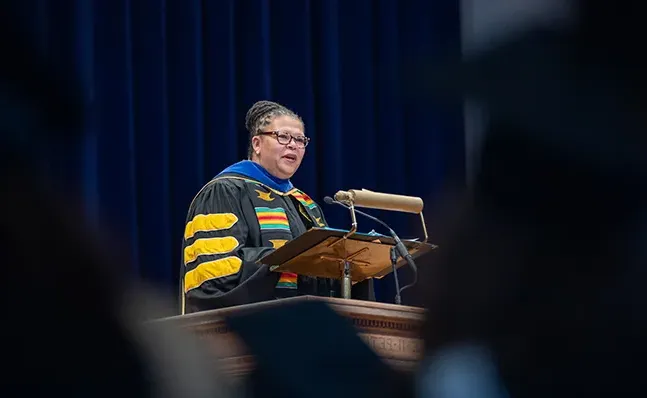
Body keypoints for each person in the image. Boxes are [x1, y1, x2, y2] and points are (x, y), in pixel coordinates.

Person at [180, 100, 374, 314]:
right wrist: (288, 258)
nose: (293, 145)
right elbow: (214, 277)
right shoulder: (225, 191)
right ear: (256, 144)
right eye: (283, 137)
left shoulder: (305, 204)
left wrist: (355, 265)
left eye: (300, 140)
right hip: (250, 330)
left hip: (308, 327)